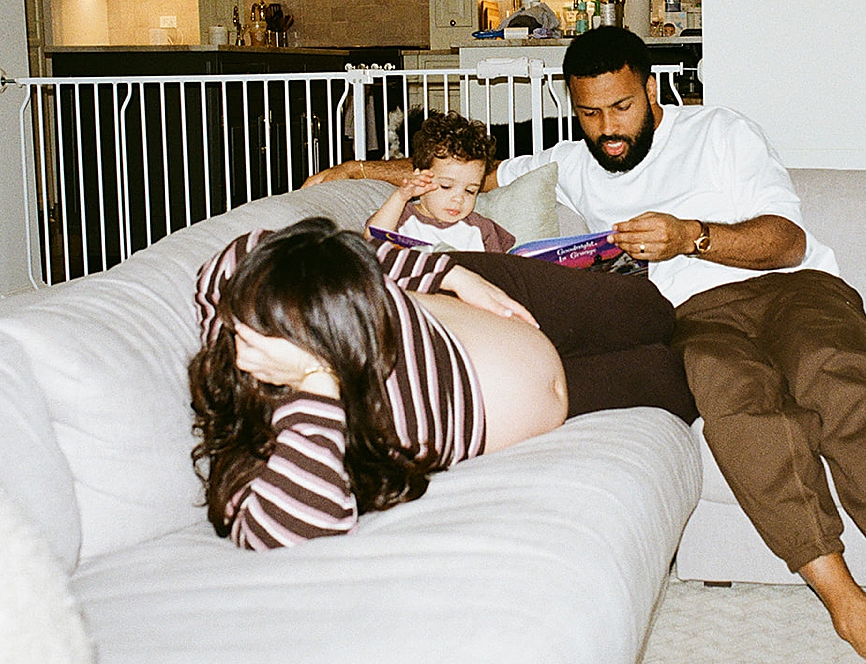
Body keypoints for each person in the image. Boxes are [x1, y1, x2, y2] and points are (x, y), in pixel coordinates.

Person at [305, 27, 866, 664]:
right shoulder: (572, 161)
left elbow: (785, 240)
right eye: (589, 112)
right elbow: (471, 176)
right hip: (694, 320)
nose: (608, 128)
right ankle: (848, 607)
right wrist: (359, 171)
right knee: (733, 400)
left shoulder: (720, 131)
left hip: (792, 290)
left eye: (621, 107)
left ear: (650, 89)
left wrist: (691, 237)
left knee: (836, 371)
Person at [189, 216, 695, 550]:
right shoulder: (275, 435)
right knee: (674, 377)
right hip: (567, 398)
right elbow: (291, 526)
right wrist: (316, 383)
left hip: (498, 301)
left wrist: (448, 274)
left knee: (653, 310)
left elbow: (319, 252)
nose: (245, 341)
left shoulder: (234, 282)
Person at [366, 111, 516, 252]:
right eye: (446, 186)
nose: (459, 198)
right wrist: (400, 197)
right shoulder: (400, 216)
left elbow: (501, 268)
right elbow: (371, 239)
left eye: (470, 191)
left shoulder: (482, 229)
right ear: (420, 178)